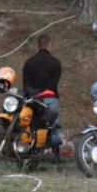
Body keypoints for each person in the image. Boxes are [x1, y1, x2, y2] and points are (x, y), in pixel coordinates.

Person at [22, 33, 62, 163]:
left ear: (38, 45)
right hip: (49, 98)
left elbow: (25, 84)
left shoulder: (29, 62)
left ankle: (29, 150)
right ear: (50, 45)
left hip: (33, 99)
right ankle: (55, 154)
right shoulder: (55, 63)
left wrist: (33, 93)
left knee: (30, 124)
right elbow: (53, 85)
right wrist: (43, 92)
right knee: (54, 125)